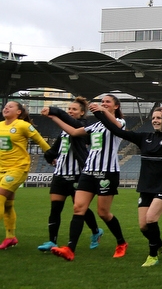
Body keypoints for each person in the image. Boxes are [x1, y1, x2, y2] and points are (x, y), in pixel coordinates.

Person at [44, 95, 129, 261]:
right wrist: (55, 117)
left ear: (116, 106)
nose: (104, 104)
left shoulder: (119, 122)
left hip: (107, 172)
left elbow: (117, 125)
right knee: (78, 208)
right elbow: (75, 132)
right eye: (102, 102)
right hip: (88, 172)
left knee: (103, 213)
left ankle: (121, 242)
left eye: (107, 102)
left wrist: (102, 110)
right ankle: (70, 249)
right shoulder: (96, 125)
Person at [96, 107, 162, 267]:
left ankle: (153, 255)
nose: (155, 120)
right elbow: (119, 132)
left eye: (159, 118)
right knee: (143, 226)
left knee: (151, 219)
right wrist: (99, 113)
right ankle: (160, 245)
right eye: (154, 118)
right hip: (146, 187)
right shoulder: (144, 138)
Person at [37, 97, 102, 252]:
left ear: (82, 113)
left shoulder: (84, 127)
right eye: (69, 109)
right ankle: (52, 241)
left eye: (74, 109)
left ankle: (96, 231)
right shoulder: (63, 131)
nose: (70, 111)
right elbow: (55, 150)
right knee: (55, 208)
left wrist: (54, 112)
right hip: (60, 174)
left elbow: (74, 127)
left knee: (80, 208)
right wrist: (50, 157)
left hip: (77, 174)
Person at [0, 102, 50, 250]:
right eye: (5, 106)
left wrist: (52, 156)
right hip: (1, 169)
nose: (6, 108)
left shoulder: (22, 125)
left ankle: (10, 237)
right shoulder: (0, 125)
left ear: (19, 112)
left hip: (18, 168)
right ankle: (11, 237)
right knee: (8, 205)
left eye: (10, 106)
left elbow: (40, 140)